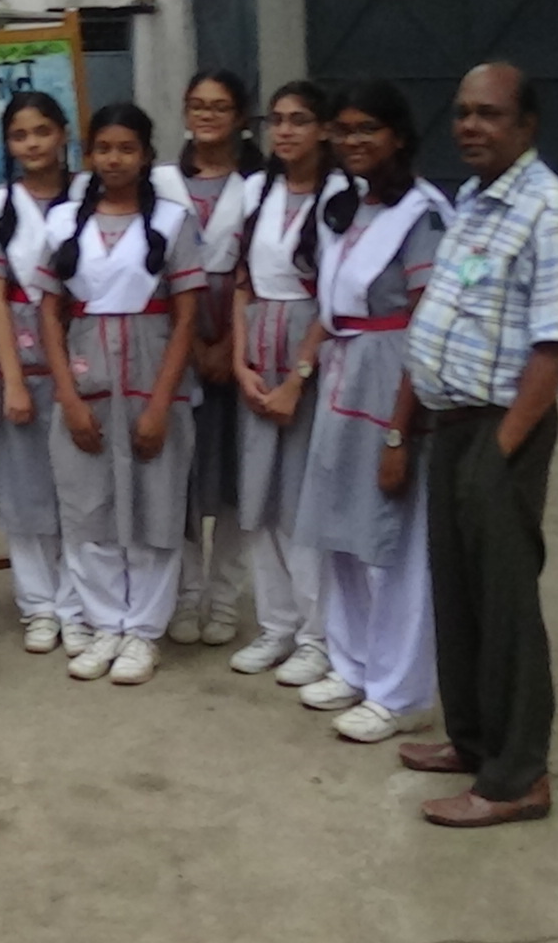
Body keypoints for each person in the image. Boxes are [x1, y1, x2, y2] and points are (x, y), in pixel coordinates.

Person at [402, 62, 558, 827]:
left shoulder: (550, 211)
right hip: (452, 423)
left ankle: (518, 779)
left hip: (501, 428)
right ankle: (474, 740)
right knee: (458, 594)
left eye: (488, 114)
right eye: (461, 113)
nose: (469, 127)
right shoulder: (475, 201)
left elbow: (555, 346)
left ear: (527, 125)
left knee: (505, 602)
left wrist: (501, 452)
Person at [13, 103, 204, 687]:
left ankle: (142, 630)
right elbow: (50, 314)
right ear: (89, 154)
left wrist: (161, 404)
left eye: (126, 148)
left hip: (151, 374)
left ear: (146, 155)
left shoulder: (173, 221)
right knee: (87, 505)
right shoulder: (65, 222)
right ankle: (103, 624)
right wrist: (68, 399)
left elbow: (188, 316)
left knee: (154, 504)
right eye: (103, 148)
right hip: (86, 375)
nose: (114, 159)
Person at [292, 81, 448, 744]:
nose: (353, 141)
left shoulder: (421, 216)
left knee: (394, 540)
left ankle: (400, 690)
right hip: (343, 375)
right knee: (342, 530)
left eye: (368, 130)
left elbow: (424, 323)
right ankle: (353, 663)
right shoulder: (351, 206)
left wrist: (398, 431)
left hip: (390, 380)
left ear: (399, 137)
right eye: (344, 130)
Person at [228, 81, 336, 687]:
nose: (287, 131)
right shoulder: (257, 190)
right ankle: (277, 625)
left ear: (324, 130)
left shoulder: (340, 196)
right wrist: (240, 362)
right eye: (278, 120)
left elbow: (335, 296)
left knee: (303, 498)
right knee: (260, 496)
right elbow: (242, 281)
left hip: (308, 348)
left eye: (300, 120)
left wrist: (299, 377)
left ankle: (319, 636)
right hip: (258, 341)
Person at [0, 92, 90, 658]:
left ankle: (78, 604)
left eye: (43, 131)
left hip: (84, 355)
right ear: (8, 144)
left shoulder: (91, 194)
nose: (33, 144)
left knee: (80, 484)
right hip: (21, 357)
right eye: (20, 135)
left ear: (63, 133)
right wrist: (13, 380)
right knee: (25, 486)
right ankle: (38, 605)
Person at [159, 70, 262, 648]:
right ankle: (184, 594)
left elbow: (259, 266)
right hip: (175, 332)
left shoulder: (262, 185)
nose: (207, 116)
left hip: (241, 333)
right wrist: (194, 343)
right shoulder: (161, 182)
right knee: (179, 472)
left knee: (232, 479)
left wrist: (227, 345)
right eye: (197, 105)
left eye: (220, 107)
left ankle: (223, 597)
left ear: (240, 117)